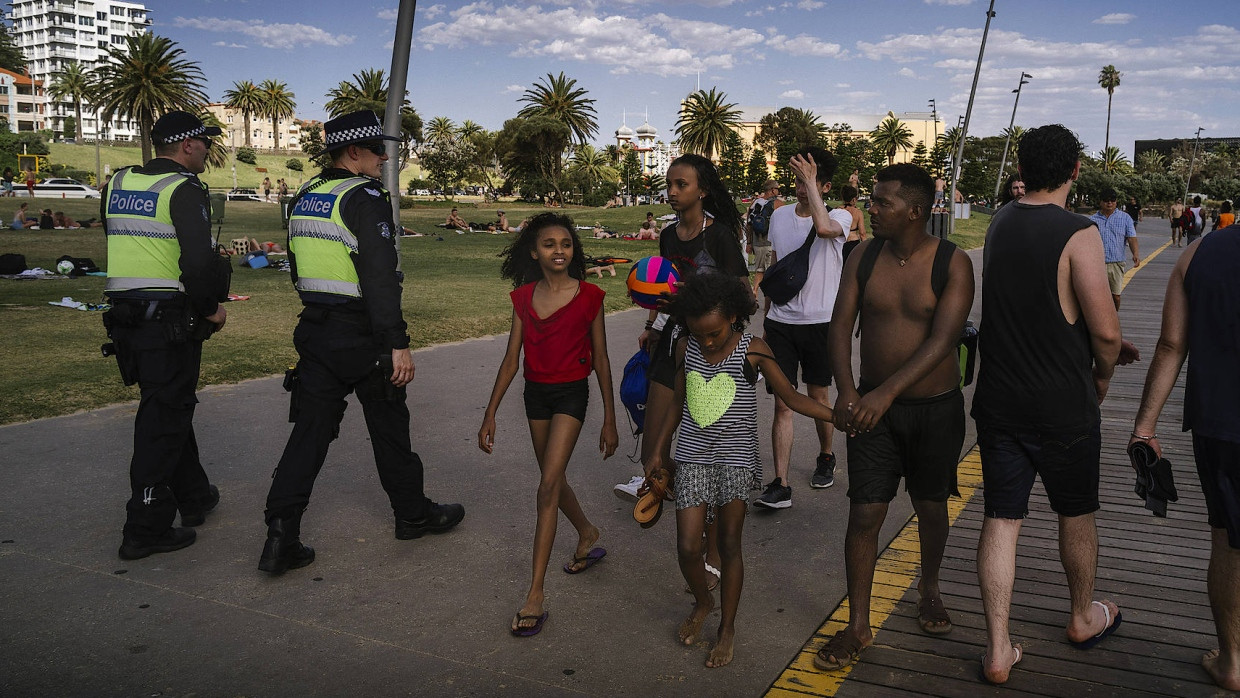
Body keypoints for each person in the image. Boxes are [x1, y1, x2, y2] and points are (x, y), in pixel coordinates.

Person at [258, 110, 464, 574]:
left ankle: (280, 534)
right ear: (353, 152)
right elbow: (380, 280)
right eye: (376, 149)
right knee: (390, 428)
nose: (384, 156)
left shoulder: (309, 194)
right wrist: (398, 343)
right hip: (363, 333)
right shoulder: (365, 197)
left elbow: (297, 262)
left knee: (308, 435)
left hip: (316, 329)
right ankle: (412, 515)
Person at [972, 124, 1124, 685]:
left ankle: (996, 649)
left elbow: (1032, 303)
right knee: (1076, 513)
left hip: (1000, 400)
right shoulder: (1077, 232)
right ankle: (1082, 616)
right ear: (1076, 170)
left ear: (1024, 167)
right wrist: (1102, 377)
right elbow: (1105, 332)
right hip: (1062, 404)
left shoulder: (1000, 223)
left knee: (1001, 520)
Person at [817, 163, 975, 670]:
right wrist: (847, 391)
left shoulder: (952, 263)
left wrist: (882, 394)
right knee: (865, 512)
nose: (871, 210)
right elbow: (840, 326)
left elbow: (942, 341)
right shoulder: (862, 257)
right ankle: (858, 624)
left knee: (930, 506)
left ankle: (929, 587)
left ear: (915, 211)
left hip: (934, 409)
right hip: (869, 409)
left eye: (882, 203)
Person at [646, 272, 834, 668]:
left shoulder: (753, 350)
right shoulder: (686, 347)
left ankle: (726, 627)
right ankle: (703, 601)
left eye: (714, 333)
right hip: (693, 455)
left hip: (735, 460)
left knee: (730, 544)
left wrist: (839, 418)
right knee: (686, 547)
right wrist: (659, 452)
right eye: (700, 334)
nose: (707, 341)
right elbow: (678, 402)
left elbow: (793, 397)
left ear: (733, 317)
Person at [478, 212, 619, 637]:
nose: (559, 250)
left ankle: (535, 594)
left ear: (573, 250)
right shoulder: (522, 298)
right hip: (534, 395)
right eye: (549, 244)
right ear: (534, 251)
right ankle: (587, 531)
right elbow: (510, 360)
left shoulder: (591, 295)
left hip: (571, 395)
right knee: (551, 480)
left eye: (566, 244)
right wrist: (490, 412)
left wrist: (610, 419)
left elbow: (601, 360)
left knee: (546, 488)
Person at [100, 111, 229, 560]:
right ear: (189, 145)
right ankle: (146, 526)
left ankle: (194, 496)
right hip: (168, 318)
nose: (209, 150)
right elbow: (196, 263)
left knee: (169, 404)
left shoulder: (117, 183)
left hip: (127, 316)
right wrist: (211, 309)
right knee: (162, 418)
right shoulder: (184, 188)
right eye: (206, 143)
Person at [1129, 220, 1240, 692]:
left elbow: (1173, 344)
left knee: (1230, 540)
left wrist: (1144, 426)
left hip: (1223, 423)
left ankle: (1232, 661)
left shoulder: (1200, 253)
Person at [755, 146, 853, 508]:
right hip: (781, 322)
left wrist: (812, 184)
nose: (798, 187)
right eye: (796, 180)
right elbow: (777, 267)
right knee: (783, 403)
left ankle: (826, 455)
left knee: (818, 396)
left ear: (825, 186)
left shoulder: (840, 216)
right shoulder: (778, 216)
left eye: (806, 181)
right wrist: (766, 319)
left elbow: (823, 228)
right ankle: (780, 482)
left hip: (820, 323)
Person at [1090, 187, 1139, 310]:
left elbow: (1131, 238)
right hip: (1097, 264)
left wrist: (1135, 254)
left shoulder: (1125, 218)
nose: (1109, 203)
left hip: (1116, 263)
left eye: (1112, 200)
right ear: (1100, 202)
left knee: (1116, 295)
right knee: (1097, 295)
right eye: (1106, 200)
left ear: (1116, 201)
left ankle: (1113, 316)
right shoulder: (1092, 220)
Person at [746, 179, 783, 296]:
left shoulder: (755, 203)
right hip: (769, 243)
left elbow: (749, 224)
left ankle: (754, 290)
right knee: (771, 272)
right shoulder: (777, 204)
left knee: (759, 270)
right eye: (777, 189)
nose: (778, 191)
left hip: (757, 243)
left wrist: (749, 243)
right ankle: (770, 296)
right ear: (772, 190)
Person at [839, 184, 867, 262]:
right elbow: (862, 233)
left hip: (840, 243)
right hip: (853, 243)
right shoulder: (858, 212)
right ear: (854, 199)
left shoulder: (837, 210)